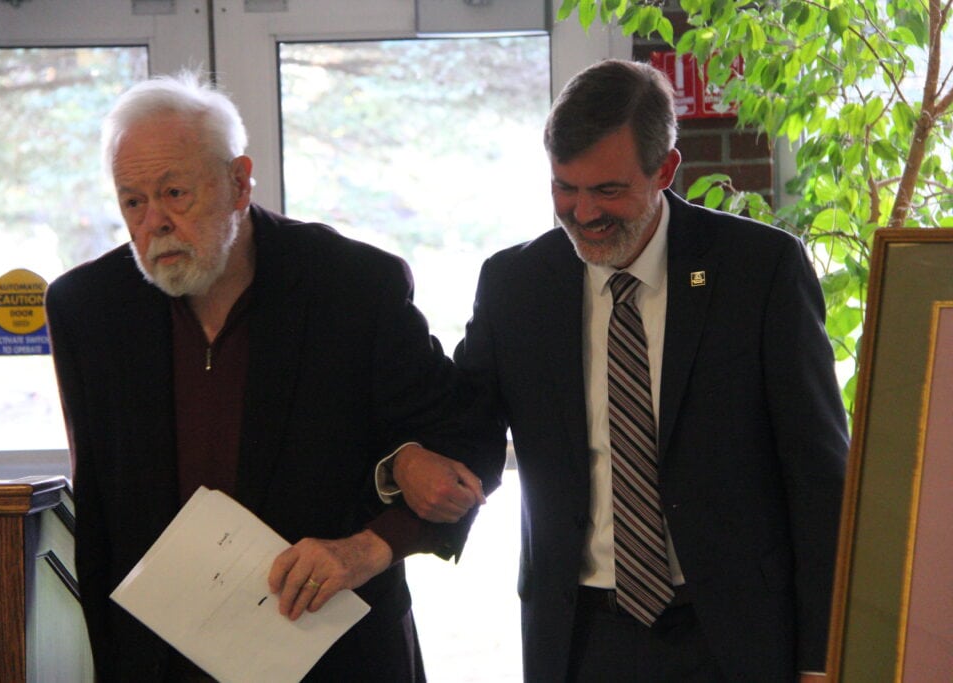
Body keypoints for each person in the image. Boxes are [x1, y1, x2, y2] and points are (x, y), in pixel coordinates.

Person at [393, 58, 849, 682]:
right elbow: (467, 429)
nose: (582, 214)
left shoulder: (759, 270)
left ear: (666, 169)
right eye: (564, 187)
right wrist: (407, 460)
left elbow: (819, 475)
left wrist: (825, 657)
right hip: (580, 634)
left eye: (607, 190)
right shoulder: (516, 284)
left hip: (737, 632)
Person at [45, 71, 483, 682]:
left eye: (175, 193)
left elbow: (463, 441)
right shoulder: (87, 308)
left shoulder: (352, 286)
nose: (155, 224)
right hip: (164, 658)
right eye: (132, 201)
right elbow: (101, 516)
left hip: (333, 652)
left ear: (238, 181)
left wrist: (367, 548)